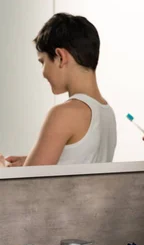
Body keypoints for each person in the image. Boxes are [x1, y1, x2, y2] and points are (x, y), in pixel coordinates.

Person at [2, 13, 117, 166]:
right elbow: (78, 165)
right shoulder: (107, 113)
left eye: (42, 62)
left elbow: (28, 185)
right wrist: (27, 162)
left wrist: (3, 169)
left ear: (60, 57)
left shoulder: (63, 114)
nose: (43, 73)